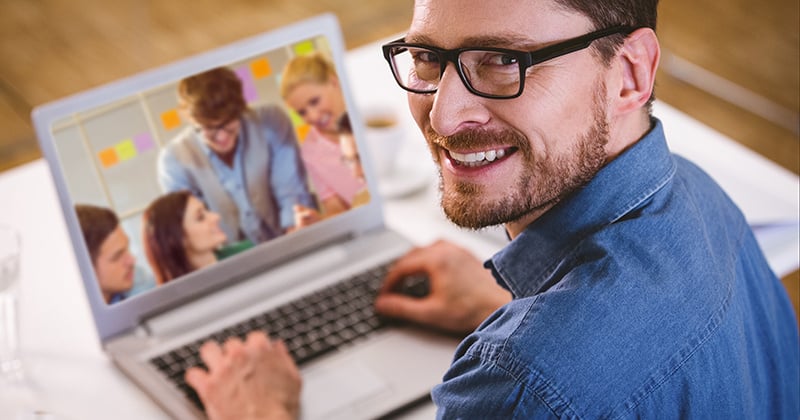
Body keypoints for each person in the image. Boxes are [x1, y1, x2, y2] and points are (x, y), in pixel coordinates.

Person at [184, 0, 800, 418]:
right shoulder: (699, 196)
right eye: (428, 57)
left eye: (505, 60)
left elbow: (551, 382)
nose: (444, 118)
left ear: (630, 74)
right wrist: (509, 312)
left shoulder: (524, 383)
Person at [158, 67, 316, 246]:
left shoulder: (271, 122)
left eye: (228, 123)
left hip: (288, 240)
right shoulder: (174, 160)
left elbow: (291, 193)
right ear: (191, 121)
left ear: (241, 109)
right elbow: (192, 233)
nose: (222, 137)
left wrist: (295, 236)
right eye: (209, 128)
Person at [280, 53, 368, 226]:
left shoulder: (367, 111)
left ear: (333, 82)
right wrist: (318, 222)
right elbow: (336, 208)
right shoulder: (310, 153)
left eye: (314, 101)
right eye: (302, 112)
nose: (312, 116)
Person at [143, 190, 232, 284]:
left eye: (206, 210)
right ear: (176, 238)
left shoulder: (245, 252)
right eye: (200, 217)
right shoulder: (173, 295)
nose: (216, 216)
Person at [75, 204, 156, 304]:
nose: (132, 260)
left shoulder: (140, 281)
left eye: (127, 248)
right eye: (117, 256)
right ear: (85, 269)